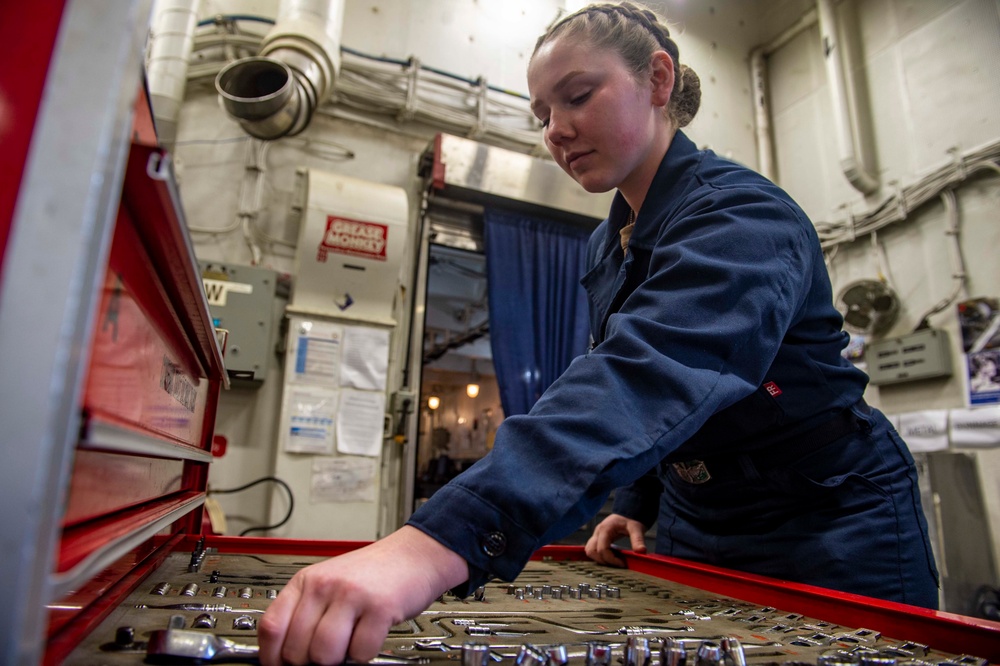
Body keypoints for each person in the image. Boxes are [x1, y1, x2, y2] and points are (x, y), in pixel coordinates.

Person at [258, 3, 939, 664]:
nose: (556, 130)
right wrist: (636, 502)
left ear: (658, 80)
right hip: (694, 516)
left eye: (577, 96)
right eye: (542, 115)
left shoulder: (743, 216)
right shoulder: (605, 244)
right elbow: (641, 387)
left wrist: (433, 544)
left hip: (825, 515)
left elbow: (653, 374)